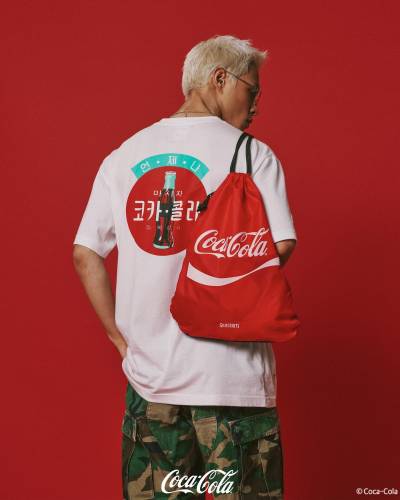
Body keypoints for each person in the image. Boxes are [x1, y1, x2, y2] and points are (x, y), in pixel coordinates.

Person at [73, 34, 297, 499]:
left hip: (152, 383)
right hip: (232, 384)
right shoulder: (252, 154)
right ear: (220, 79)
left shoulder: (124, 155)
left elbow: (85, 253)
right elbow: (280, 246)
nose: (256, 104)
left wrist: (121, 340)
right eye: (252, 89)